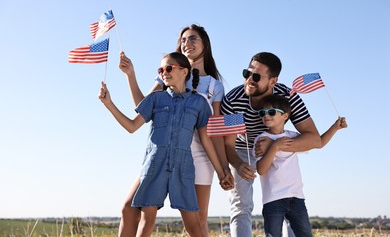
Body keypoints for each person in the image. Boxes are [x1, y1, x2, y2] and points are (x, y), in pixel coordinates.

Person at [99, 52, 232, 237]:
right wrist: (109, 103)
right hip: (154, 166)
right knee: (147, 222)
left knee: (194, 225)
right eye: (160, 69)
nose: (164, 72)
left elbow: (206, 139)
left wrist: (220, 172)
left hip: (183, 168)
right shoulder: (156, 98)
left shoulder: (199, 103)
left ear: (184, 71)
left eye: (168, 68)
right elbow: (131, 126)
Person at [220, 52, 322, 237]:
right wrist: (238, 164)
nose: (250, 80)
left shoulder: (287, 97)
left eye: (257, 77)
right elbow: (228, 144)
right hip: (243, 149)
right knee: (240, 204)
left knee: (288, 200)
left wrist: (274, 146)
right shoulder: (233, 101)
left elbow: (314, 138)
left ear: (273, 81)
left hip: (279, 146)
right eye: (247, 73)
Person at [254, 94, 348, 237]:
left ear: (285, 116)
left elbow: (319, 143)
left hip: (296, 197)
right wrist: (275, 147)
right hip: (273, 199)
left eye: (271, 112)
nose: (266, 115)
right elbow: (261, 170)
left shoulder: (293, 136)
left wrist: (335, 127)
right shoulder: (261, 139)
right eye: (263, 113)